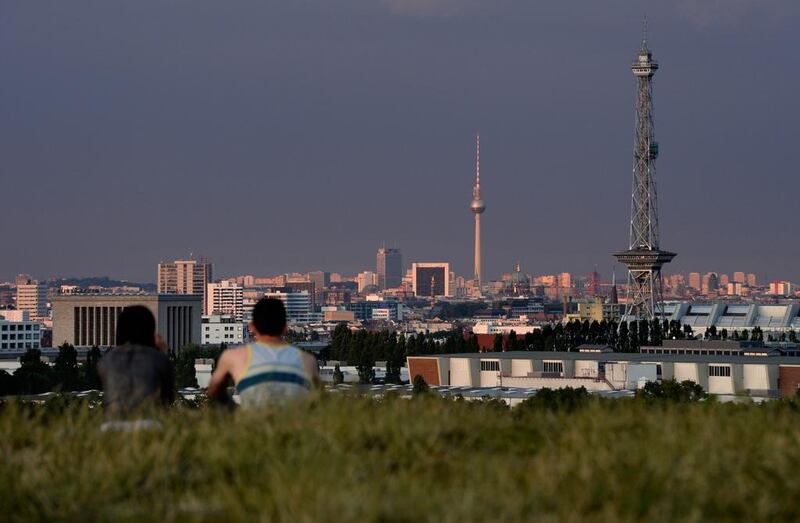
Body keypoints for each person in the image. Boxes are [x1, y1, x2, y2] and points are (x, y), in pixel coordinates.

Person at [207, 298, 320, 407]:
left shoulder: (234, 357)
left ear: (252, 326)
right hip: (293, 424)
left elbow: (213, 391)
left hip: (252, 423)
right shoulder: (307, 361)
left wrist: (235, 410)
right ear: (285, 327)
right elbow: (318, 400)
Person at [97, 305, 175, 419]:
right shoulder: (158, 359)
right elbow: (167, 398)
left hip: (112, 423)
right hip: (150, 422)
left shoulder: (106, 360)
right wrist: (160, 351)